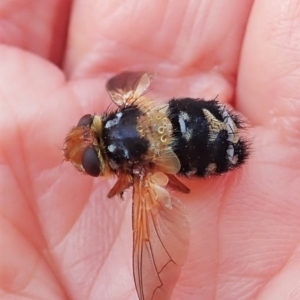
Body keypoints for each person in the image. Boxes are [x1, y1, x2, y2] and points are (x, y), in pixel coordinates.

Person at [1, 1, 299, 299]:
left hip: (207, 147)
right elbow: (125, 82)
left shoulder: (137, 171)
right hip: (202, 117)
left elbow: (152, 244)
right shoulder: (125, 100)